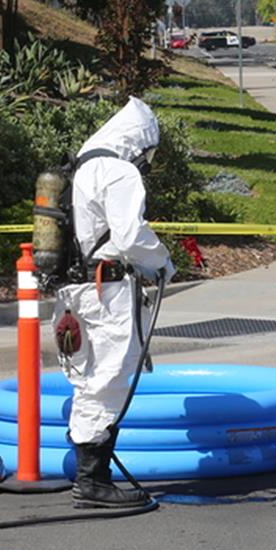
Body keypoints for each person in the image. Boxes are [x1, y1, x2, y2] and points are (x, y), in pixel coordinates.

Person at [55, 97, 175, 508]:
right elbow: (130, 237)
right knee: (106, 382)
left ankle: (92, 476)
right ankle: (92, 482)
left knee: (90, 380)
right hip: (106, 294)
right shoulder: (119, 172)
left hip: (77, 293)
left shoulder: (82, 168)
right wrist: (162, 262)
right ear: (138, 143)